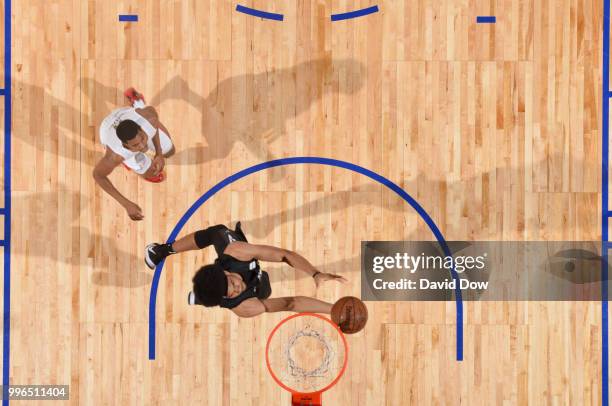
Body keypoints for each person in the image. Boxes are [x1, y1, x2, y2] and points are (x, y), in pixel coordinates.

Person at [144, 223, 348, 317]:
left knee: (218, 231)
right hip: (258, 291)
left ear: (224, 272)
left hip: (237, 262)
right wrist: (332, 310)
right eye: (230, 292)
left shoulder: (236, 252)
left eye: (232, 283)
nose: (237, 288)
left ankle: (164, 251)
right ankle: (203, 296)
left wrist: (315, 273)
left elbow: (285, 255)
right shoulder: (244, 306)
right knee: (266, 287)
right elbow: (290, 303)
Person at [93, 88, 175, 221]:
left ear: (142, 129)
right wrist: (126, 204)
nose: (143, 147)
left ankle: (138, 104)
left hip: (125, 114)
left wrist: (159, 154)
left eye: (142, 138)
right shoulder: (116, 155)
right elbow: (98, 175)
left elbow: (153, 121)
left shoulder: (149, 119)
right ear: (126, 146)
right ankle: (129, 162)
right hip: (106, 128)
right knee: (150, 173)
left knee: (170, 151)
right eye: (136, 145)